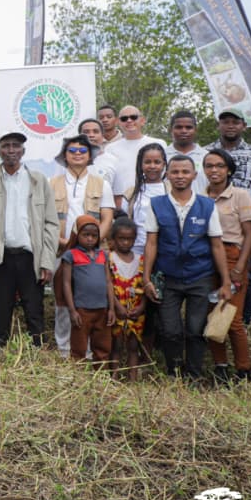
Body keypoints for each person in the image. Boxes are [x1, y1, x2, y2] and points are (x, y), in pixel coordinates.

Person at [143, 155, 230, 379]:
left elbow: (217, 245)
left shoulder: (207, 205)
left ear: (194, 175)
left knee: (195, 329)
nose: (180, 176)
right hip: (168, 276)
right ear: (167, 175)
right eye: (175, 172)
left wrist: (226, 281)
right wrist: (147, 279)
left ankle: (194, 374)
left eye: (185, 172)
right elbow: (151, 242)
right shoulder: (156, 204)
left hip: (199, 275)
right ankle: (173, 371)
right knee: (170, 330)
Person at [0, 131, 59, 348]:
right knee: (1, 308)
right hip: (0, 256)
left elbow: (51, 223)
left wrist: (47, 260)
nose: (11, 150)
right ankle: (0, 350)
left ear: (23, 151)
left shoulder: (38, 181)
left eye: (16, 146)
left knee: (34, 308)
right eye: (6, 146)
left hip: (31, 255)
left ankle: (36, 351)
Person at [50, 134, 114, 357]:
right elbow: (46, 219)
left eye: (82, 151)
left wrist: (93, 245)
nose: (77, 154)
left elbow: (107, 217)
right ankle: (64, 350)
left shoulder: (101, 183)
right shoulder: (53, 183)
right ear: (64, 156)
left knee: (90, 302)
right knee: (62, 299)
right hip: (61, 250)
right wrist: (64, 243)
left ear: (90, 156)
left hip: (92, 254)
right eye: (72, 151)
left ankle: (87, 352)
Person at [202, 148, 251, 381]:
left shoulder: (240, 195)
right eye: (209, 166)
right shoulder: (201, 197)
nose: (214, 170)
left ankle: (244, 369)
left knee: (231, 318)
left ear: (229, 170)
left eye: (219, 166)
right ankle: (220, 367)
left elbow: (250, 234)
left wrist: (239, 267)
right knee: (212, 316)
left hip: (233, 255)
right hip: (205, 258)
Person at [55, 215, 115, 368]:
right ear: (77, 235)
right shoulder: (71, 255)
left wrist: (111, 309)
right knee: (79, 347)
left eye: (94, 236)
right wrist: (72, 310)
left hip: (102, 309)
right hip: (82, 309)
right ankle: (79, 377)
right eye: (85, 235)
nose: (90, 239)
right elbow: (66, 283)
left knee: (102, 346)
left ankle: (100, 377)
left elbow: (108, 282)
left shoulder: (103, 255)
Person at [104, 106, 167, 208]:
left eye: (133, 117)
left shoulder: (158, 143)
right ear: (118, 123)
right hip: (121, 203)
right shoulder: (110, 149)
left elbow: (166, 173)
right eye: (124, 118)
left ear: (142, 120)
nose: (129, 121)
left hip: (156, 198)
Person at [108, 219, 147, 380]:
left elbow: (146, 287)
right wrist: (117, 307)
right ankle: (114, 376)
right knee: (115, 345)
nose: (125, 242)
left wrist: (142, 307)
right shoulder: (109, 258)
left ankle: (133, 378)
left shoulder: (141, 260)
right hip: (117, 309)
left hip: (136, 310)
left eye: (129, 239)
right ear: (113, 239)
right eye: (121, 239)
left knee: (133, 345)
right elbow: (108, 285)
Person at [164, 110, 207, 192]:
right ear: (171, 130)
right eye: (179, 127)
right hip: (168, 204)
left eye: (188, 127)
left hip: (200, 204)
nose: (184, 131)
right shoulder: (162, 156)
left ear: (195, 130)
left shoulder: (206, 156)